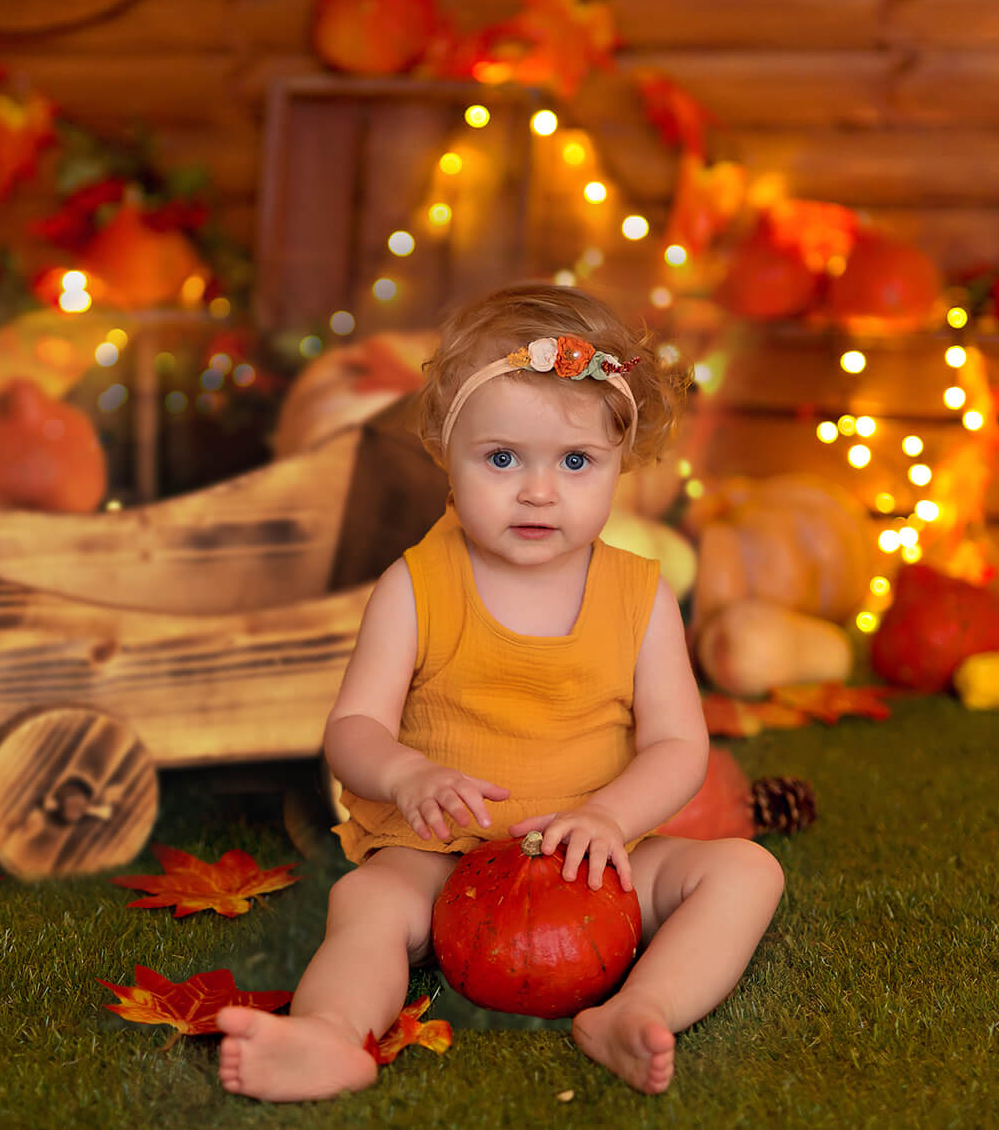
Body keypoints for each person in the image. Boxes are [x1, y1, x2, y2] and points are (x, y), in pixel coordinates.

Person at [218, 283, 786, 1101]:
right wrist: (406, 775)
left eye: (576, 462)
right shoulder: (416, 586)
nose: (538, 491)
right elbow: (353, 729)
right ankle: (330, 1037)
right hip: (441, 857)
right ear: (449, 454)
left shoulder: (641, 596)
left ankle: (638, 1010)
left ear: (621, 464)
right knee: (370, 901)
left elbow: (678, 746)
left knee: (745, 873)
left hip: (592, 860)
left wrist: (608, 820)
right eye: (502, 458)